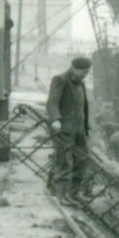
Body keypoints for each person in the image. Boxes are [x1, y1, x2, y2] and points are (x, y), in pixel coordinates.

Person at [45, 55, 92, 198]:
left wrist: (86, 127)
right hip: (64, 130)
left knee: (82, 159)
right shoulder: (60, 80)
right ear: (74, 68)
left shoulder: (81, 83)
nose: (86, 75)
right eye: (84, 72)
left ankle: (73, 193)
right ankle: (60, 195)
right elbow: (52, 102)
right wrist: (56, 119)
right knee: (64, 162)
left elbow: (83, 107)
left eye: (87, 72)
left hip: (79, 131)